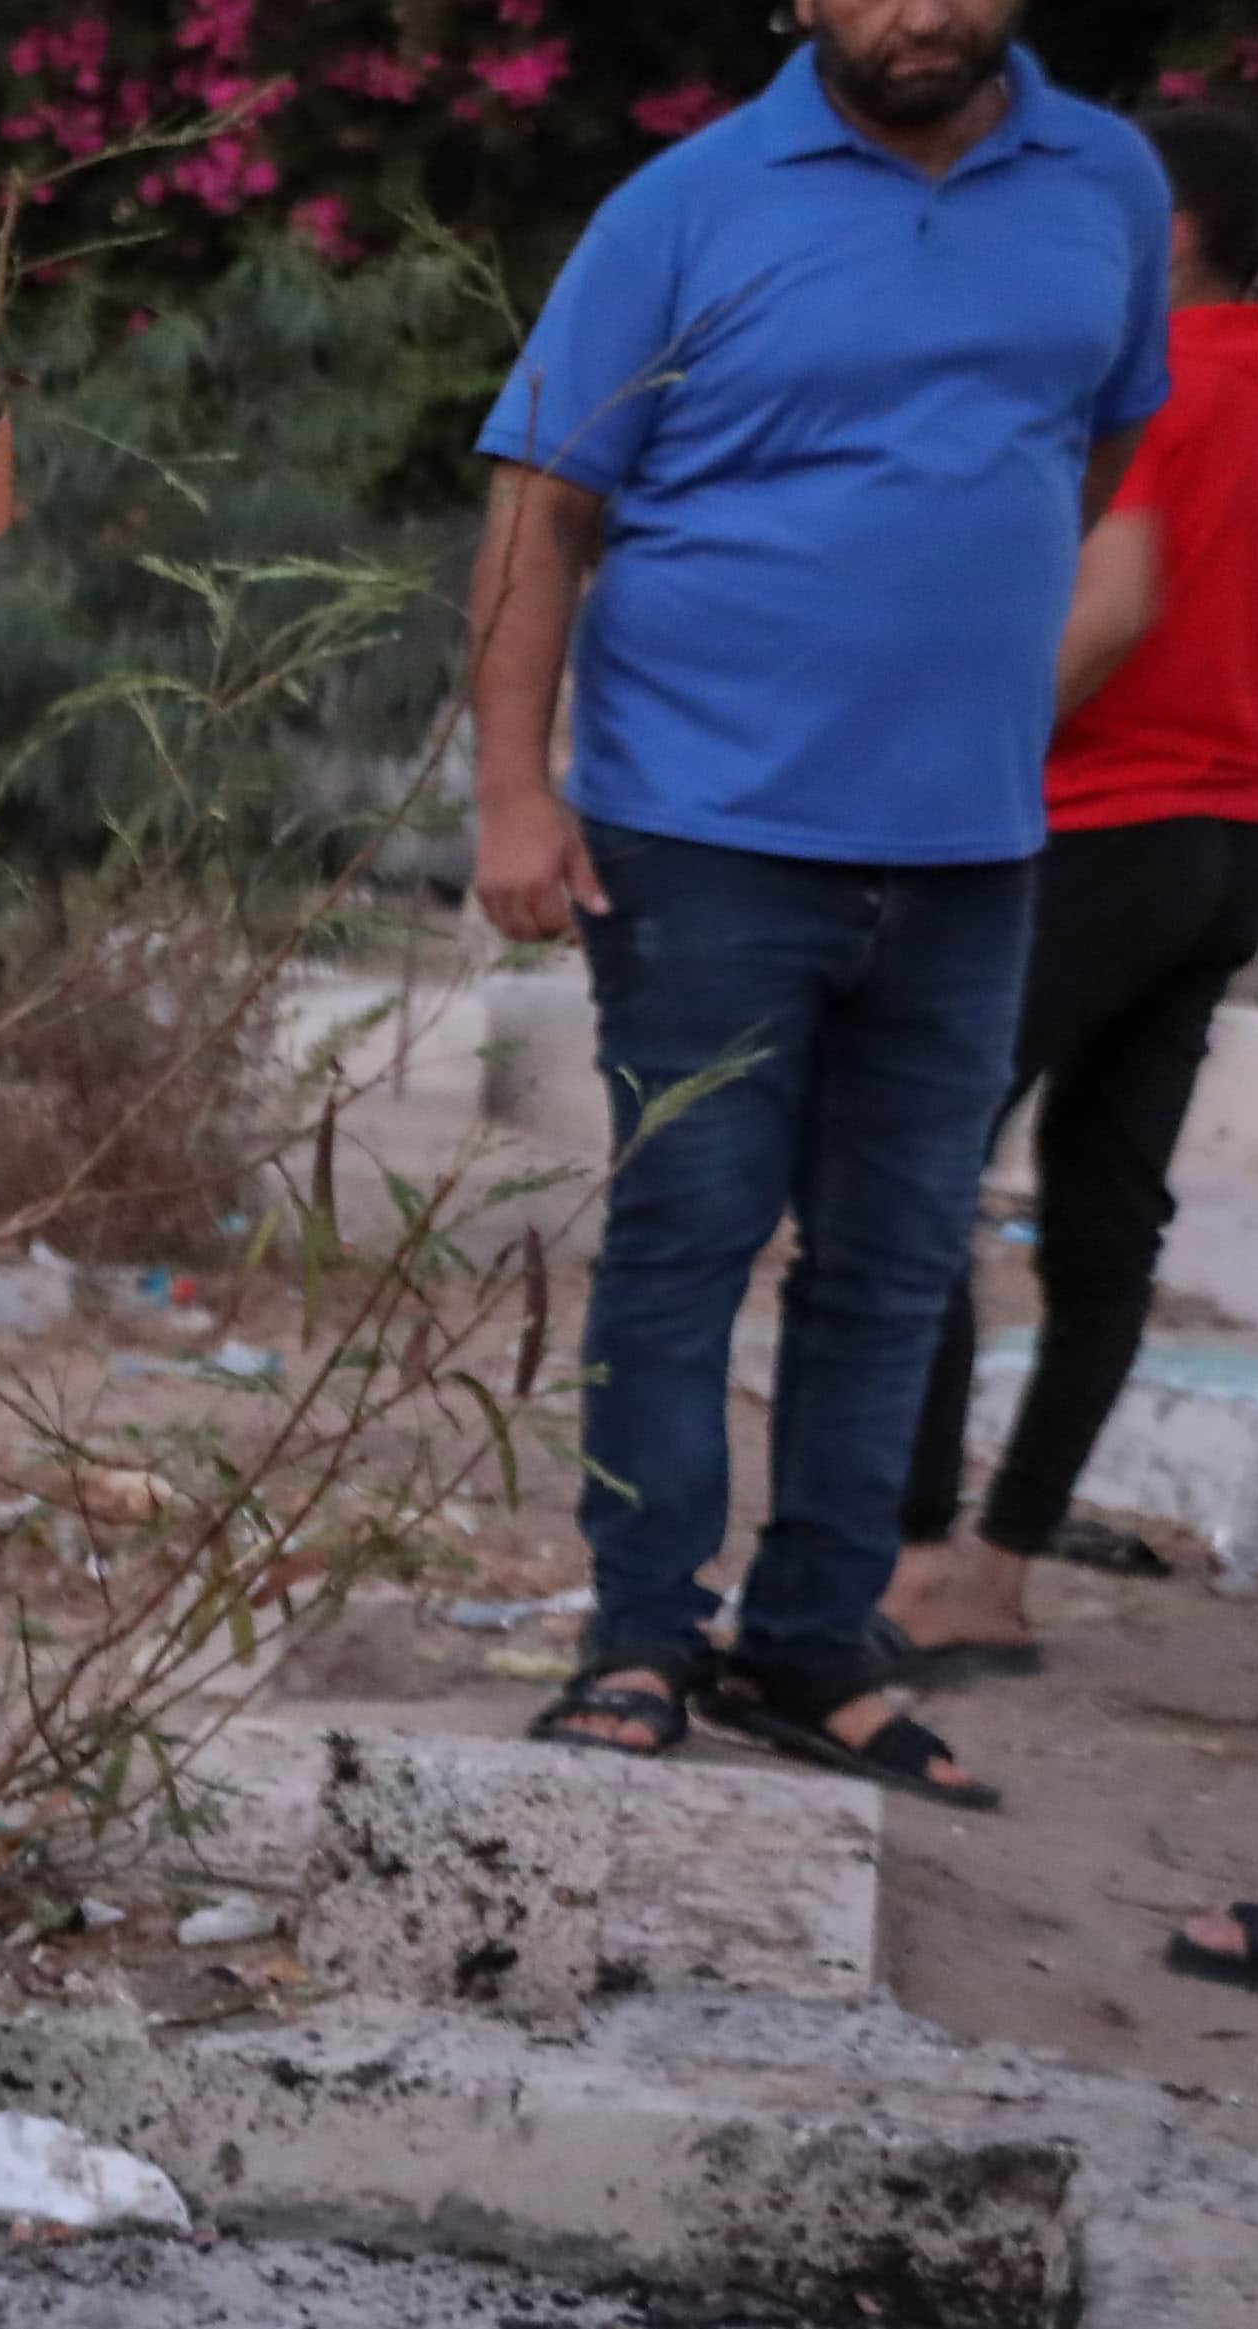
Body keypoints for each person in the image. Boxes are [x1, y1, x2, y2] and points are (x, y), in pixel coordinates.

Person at [471, 0, 1172, 1810]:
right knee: (687, 1241)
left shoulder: (1104, 182)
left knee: (896, 1266)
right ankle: (636, 1636)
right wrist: (513, 793)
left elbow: (1086, 456)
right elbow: (541, 503)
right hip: (700, 836)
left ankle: (811, 1644)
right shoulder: (682, 208)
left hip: (969, 850)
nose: (918, 9)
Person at [890, 106, 1258, 1673]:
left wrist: (948, 753)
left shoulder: (1150, 392)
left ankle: (907, 1555)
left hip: (1096, 827)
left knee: (907, 1157)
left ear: (1160, 235)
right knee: (1105, 1217)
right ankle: (1001, 1575)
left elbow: (1113, 605)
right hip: (1232, 844)